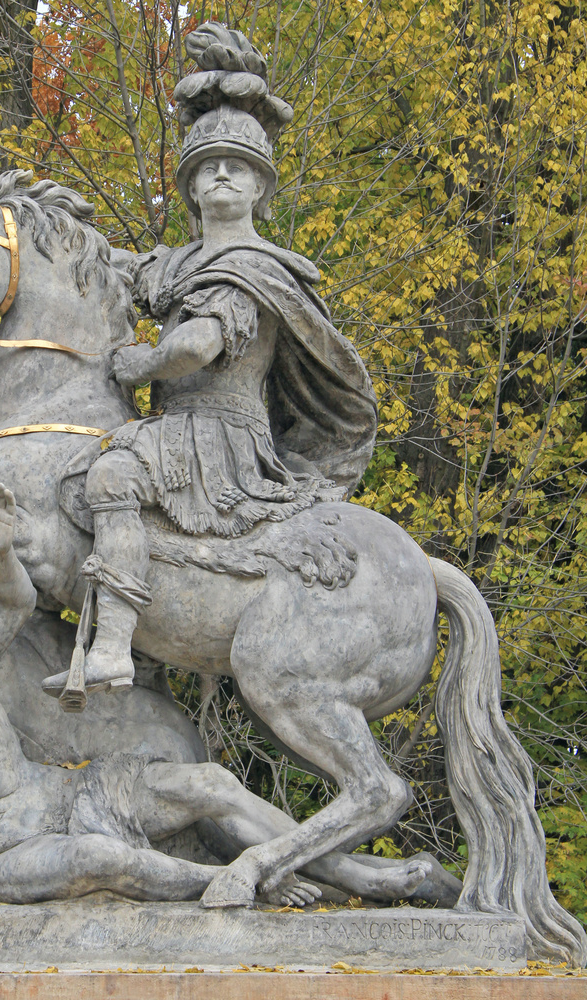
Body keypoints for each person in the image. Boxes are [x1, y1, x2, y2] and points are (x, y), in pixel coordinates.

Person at [0, 475, 455, 908]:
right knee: (104, 858)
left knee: (209, 785)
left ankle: (327, 869)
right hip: (7, 854)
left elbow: (12, 606)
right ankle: (248, 880)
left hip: (65, 794)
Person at [42, 60, 377, 697]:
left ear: (260, 188)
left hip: (222, 438)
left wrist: (144, 363)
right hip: (174, 430)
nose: (221, 174)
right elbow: (111, 267)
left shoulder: (255, 266)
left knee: (110, 473)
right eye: (207, 167)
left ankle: (111, 649)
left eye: (238, 166)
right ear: (192, 188)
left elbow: (199, 343)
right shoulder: (174, 265)